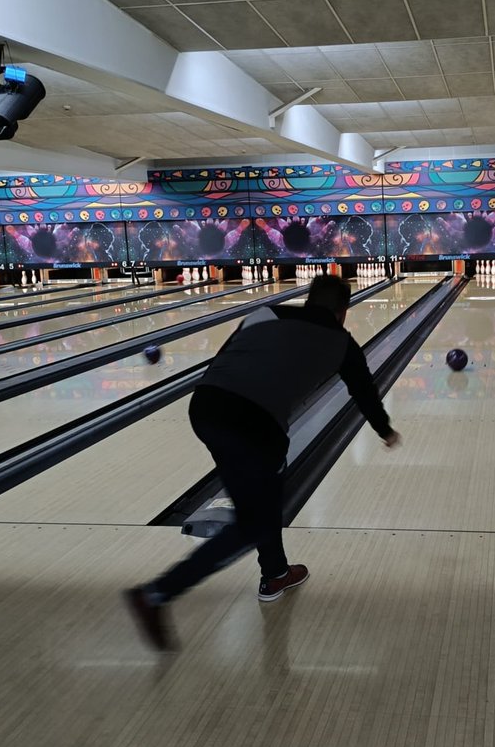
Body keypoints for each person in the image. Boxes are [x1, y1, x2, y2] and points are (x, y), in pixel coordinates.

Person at [125, 275, 400, 650]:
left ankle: (275, 574)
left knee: (262, 495)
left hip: (206, 406)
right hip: (256, 423)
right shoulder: (343, 342)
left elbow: (230, 358)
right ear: (343, 312)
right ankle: (156, 594)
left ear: (307, 299)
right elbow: (363, 391)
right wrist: (385, 430)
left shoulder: (263, 313)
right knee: (252, 520)